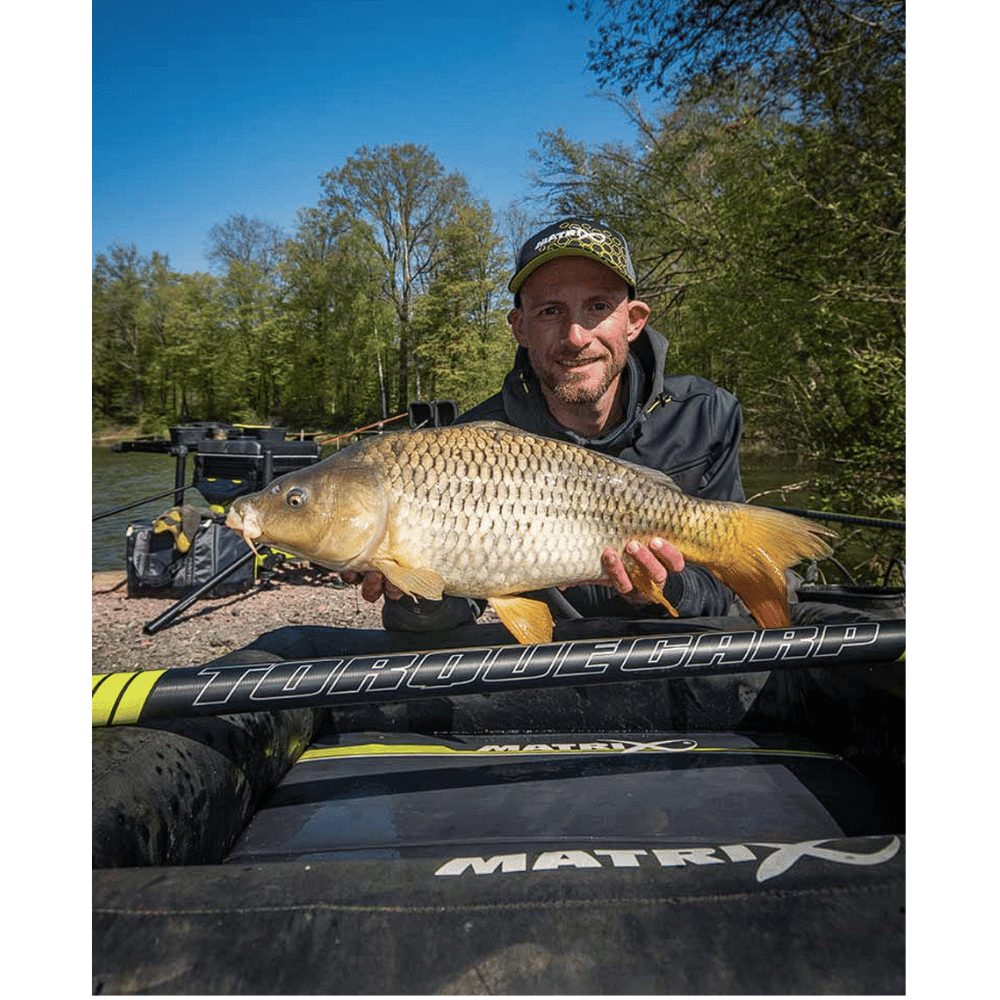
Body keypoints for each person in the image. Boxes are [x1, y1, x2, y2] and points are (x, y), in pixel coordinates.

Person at [344, 218, 748, 632]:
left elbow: (725, 595)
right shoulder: (471, 444)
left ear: (634, 320)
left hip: (672, 653)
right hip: (546, 665)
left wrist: (665, 589)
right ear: (520, 327)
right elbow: (452, 613)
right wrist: (411, 595)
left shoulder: (705, 415)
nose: (576, 337)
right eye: (551, 311)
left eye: (598, 307)